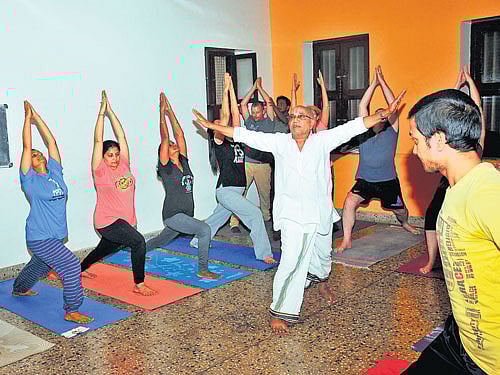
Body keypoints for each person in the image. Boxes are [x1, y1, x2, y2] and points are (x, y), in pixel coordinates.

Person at [192, 89, 406, 334]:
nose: (295, 120)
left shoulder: (323, 141)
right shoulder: (280, 143)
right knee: (292, 262)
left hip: (320, 215)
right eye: (292, 116)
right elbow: (247, 136)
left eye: (301, 116)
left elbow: (353, 127)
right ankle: (280, 309)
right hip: (294, 217)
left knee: (323, 259)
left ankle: (318, 281)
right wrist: (213, 126)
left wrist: (383, 115)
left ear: (313, 122)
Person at [404, 89, 499, 375]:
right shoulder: (458, 186)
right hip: (460, 338)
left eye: (416, 140)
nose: (414, 149)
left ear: (439, 140)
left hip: (488, 361)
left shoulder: (486, 192)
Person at [13, 101, 93, 323]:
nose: (37, 155)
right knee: (70, 264)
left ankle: (20, 287)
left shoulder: (56, 173)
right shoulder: (30, 180)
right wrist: (26, 121)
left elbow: (52, 141)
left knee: (40, 264)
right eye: (34, 155)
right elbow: (27, 147)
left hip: (55, 236)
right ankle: (72, 310)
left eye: (40, 154)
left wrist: (37, 116)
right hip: (39, 236)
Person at [190, 73, 276, 264]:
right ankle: (264, 254)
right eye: (219, 124)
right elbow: (224, 116)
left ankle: (197, 241)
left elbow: (232, 115)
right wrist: (225, 93)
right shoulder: (219, 141)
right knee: (254, 214)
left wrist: (229, 89)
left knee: (217, 218)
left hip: (235, 190)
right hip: (227, 190)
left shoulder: (237, 139)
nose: (224, 124)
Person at [80, 91, 157, 296]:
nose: (114, 158)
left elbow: (122, 136)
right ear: (102, 157)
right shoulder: (100, 171)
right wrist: (100, 114)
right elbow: (98, 141)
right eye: (109, 155)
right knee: (139, 241)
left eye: (116, 154)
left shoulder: (124, 164)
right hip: (107, 220)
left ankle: (79, 269)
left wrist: (111, 112)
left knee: (102, 250)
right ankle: (139, 284)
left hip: (125, 220)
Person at [337, 66, 419, 252]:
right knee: (349, 202)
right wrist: (373, 83)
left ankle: (405, 223)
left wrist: (382, 81)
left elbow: (393, 105)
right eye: (379, 116)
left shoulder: (392, 131)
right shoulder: (364, 130)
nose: (383, 118)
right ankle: (347, 239)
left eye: (386, 116)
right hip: (365, 180)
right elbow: (362, 106)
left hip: (388, 181)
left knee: (400, 211)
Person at [144, 92, 219, 279]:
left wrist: (171, 111)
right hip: (173, 214)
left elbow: (179, 134)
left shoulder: (184, 162)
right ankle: (203, 269)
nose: (173, 145)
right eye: (169, 146)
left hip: (185, 214)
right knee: (204, 230)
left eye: (173, 144)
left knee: (161, 240)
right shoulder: (166, 168)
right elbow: (165, 136)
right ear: (163, 153)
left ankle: (138, 250)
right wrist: (162, 114)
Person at [419, 66, 485, 274]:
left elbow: (477, 108)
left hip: (466, 187)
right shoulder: (451, 139)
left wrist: (470, 81)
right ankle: (432, 260)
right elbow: (446, 109)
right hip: (447, 184)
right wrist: (457, 86)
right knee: (432, 217)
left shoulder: (476, 143)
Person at [229, 77, 276, 234]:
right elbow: (242, 104)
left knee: (265, 195)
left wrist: (260, 89)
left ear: (263, 111)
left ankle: (266, 220)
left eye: (258, 112)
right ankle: (234, 222)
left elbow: (269, 102)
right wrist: (253, 88)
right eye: (253, 112)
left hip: (263, 165)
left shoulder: (269, 122)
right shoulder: (248, 122)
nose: (255, 115)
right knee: (240, 192)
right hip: (247, 163)